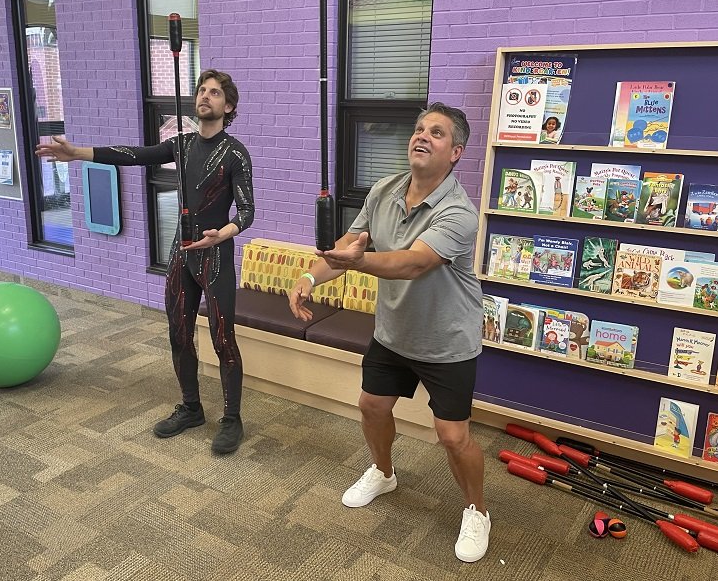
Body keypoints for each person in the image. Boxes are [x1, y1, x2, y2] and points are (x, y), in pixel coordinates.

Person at [288, 102, 490, 563]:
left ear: (456, 152)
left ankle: (477, 511)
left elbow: (412, 264)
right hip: (394, 332)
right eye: (419, 129)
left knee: (453, 436)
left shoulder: (460, 212)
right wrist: (309, 278)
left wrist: (360, 262)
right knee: (371, 405)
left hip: (447, 340)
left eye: (436, 133)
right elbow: (347, 247)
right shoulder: (384, 190)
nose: (422, 136)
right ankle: (383, 472)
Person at [35, 69, 254, 455]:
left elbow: (248, 211)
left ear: (228, 105)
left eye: (215, 93)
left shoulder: (235, 152)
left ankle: (232, 419)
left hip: (215, 255)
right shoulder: (182, 144)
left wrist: (225, 231)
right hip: (181, 254)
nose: (205, 97)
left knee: (223, 339)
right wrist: (78, 153)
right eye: (202, 91)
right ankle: (190, 408)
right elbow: (134, 155)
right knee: (177, 333)